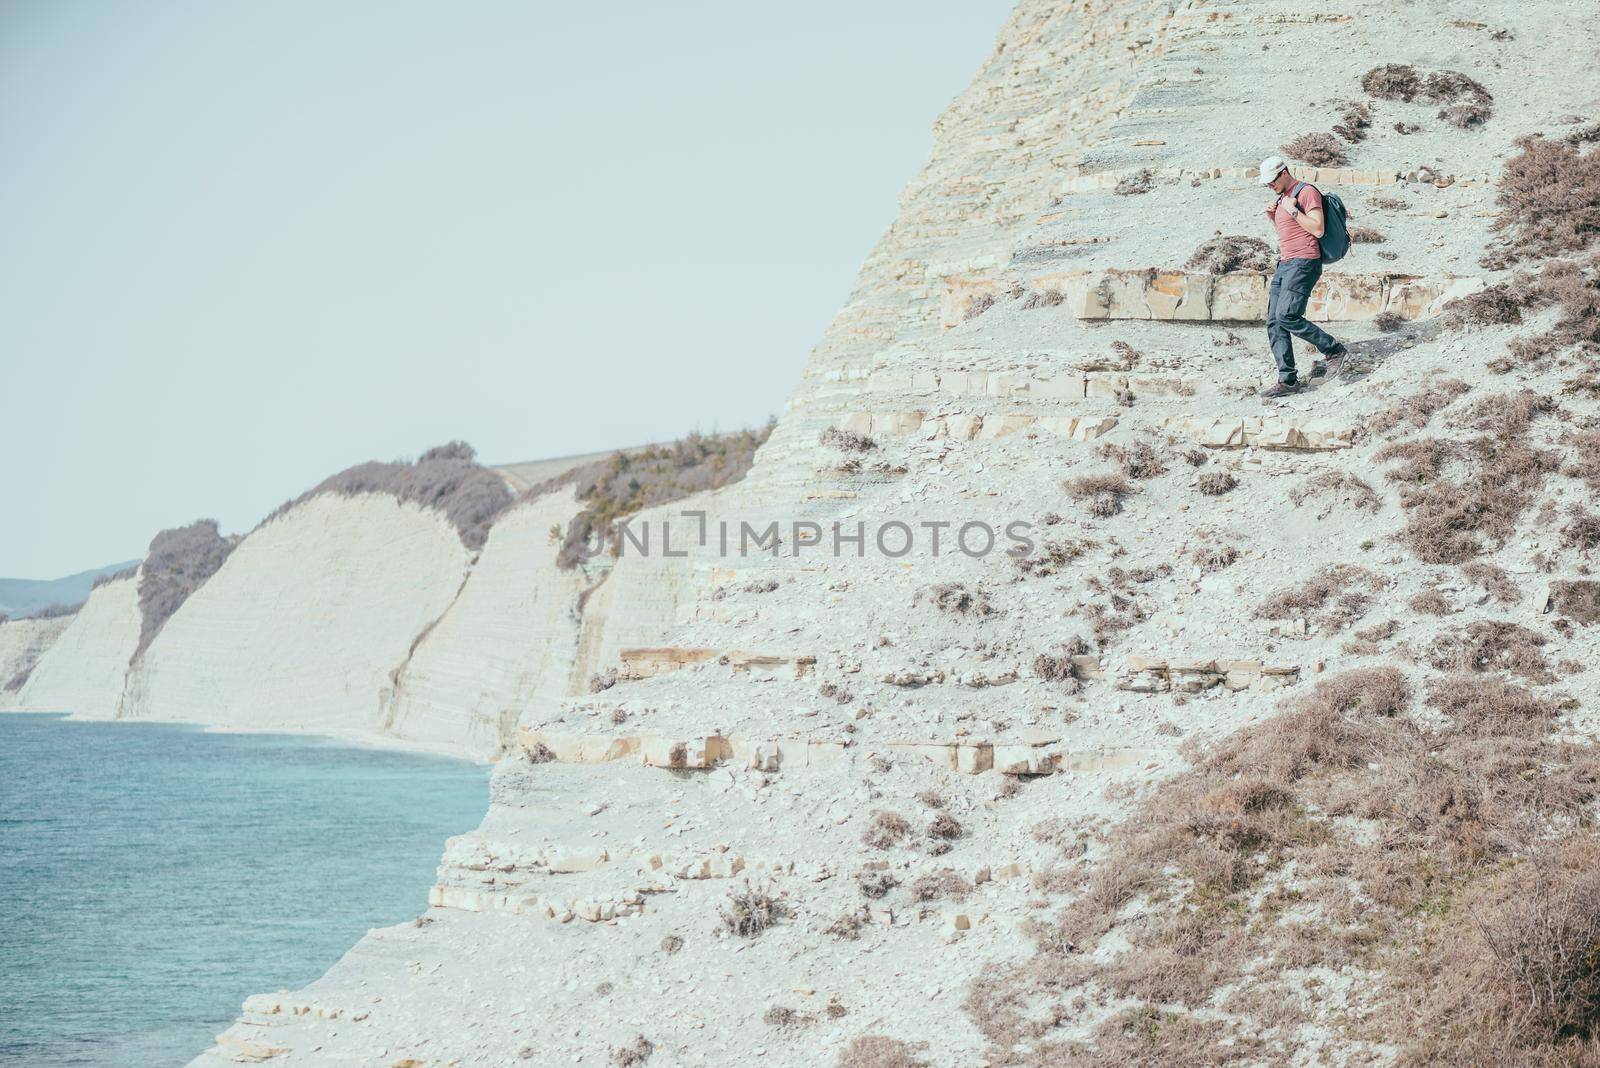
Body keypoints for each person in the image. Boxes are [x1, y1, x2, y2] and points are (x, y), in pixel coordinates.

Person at [1257, 154, 1346, 398]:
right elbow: (1290, 233)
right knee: (1274, 322)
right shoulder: (1283, 198)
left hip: (1304, 262)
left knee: (1287, 315)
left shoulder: (1306, 192)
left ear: (1284, 172)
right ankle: (1288, 381)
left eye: (1272, 181)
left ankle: (1334, 350)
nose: (1270, 186)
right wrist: (1273, 217)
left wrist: (1293, 211)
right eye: (1266, 183)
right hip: (1285, 263)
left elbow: (1317, 228)